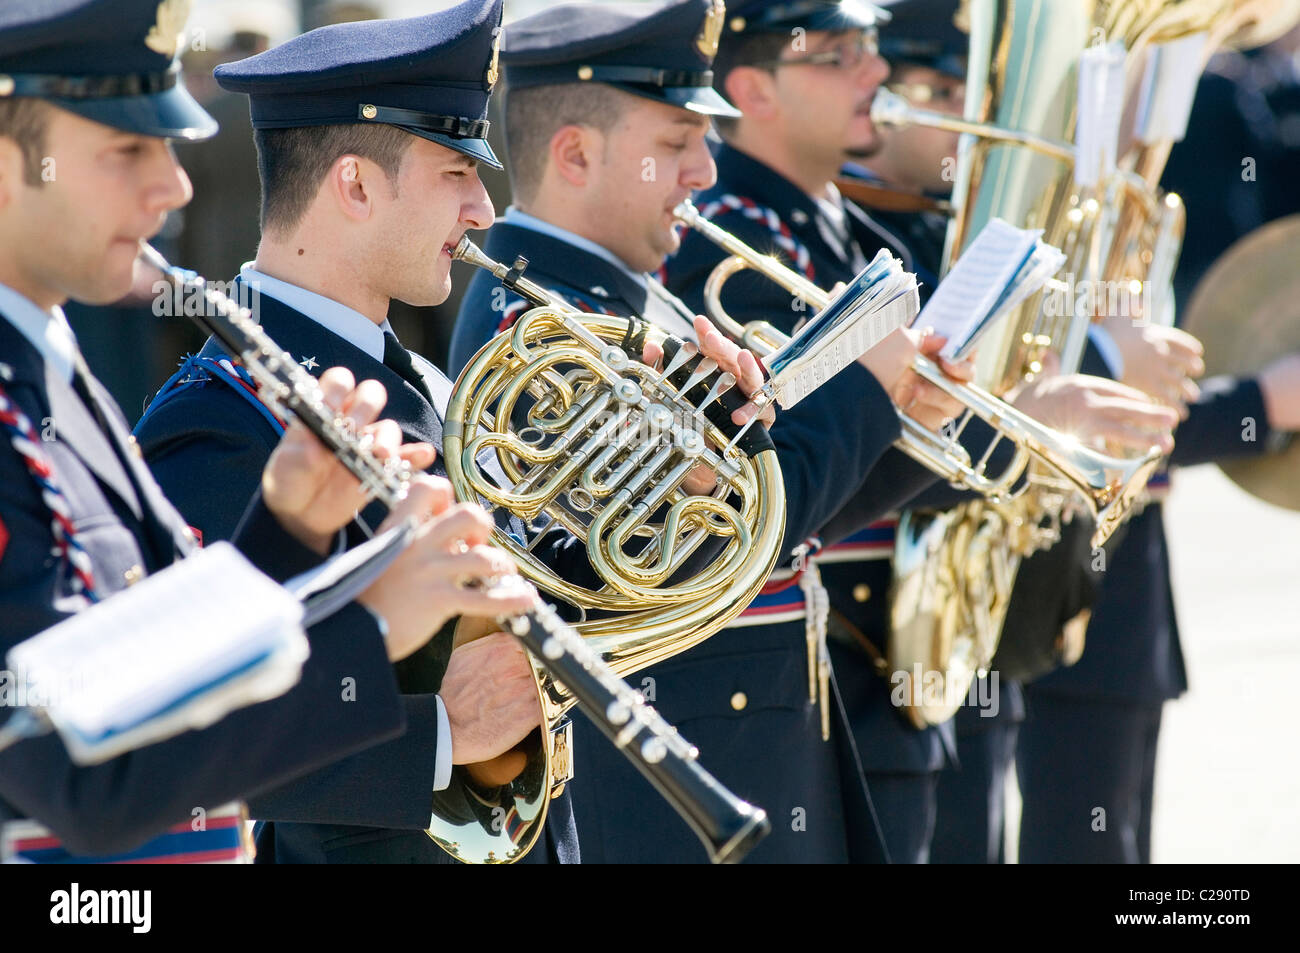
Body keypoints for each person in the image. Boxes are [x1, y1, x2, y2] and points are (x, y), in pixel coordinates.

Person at [133, 0, 770, 865]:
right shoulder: (217, 415)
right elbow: (178, 738)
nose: (482, 208)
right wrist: (434, 736)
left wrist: (683, 482)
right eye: (454, 174)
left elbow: (526, 608)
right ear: (354, 183)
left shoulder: (427, 381)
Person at [450, 0, 1000, 863]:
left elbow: (782, 531)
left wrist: (902, 419)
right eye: (675, 144)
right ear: (576, 153)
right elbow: (721, 544)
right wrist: (866, 388)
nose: (707, 171)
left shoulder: (631, 293)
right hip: (682, 789)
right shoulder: (540, 320)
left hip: (761, 746)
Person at [0, 0, 535, 857]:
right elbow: (79, 774)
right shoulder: (106, 404)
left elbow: (147, 667)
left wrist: (283, 539)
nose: (175, 186)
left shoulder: (55, 377)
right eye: (127, 149)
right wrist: (374, 638)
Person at [662, 0, 1181, 862]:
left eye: (870, 49)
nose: (874, 72)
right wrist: (1029, 423)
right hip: (843, 675)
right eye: (838, 55)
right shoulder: (744, 242)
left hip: (914, 682)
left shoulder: (856, 228)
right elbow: (809, 461)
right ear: (752, 89)